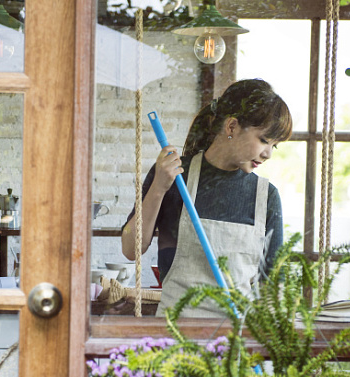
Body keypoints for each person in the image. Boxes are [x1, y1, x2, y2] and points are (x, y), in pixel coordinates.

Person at [121, 79, 293, 317]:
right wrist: (159, 187)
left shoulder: (266, 196)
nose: (268, 154)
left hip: (233, 341)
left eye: (276, 145)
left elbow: (273, 286)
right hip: (174, 338)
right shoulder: (173, 175)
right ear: (231, 127)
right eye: (264, 140)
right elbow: (130, 249)